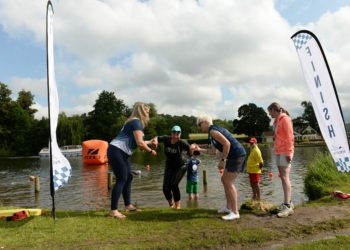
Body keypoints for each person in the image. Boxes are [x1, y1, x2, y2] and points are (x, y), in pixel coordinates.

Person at [107, 102, 157, 219]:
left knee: (128, 177)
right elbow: (140, 143)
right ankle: (113, 211)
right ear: (142, 112)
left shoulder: (133, 122)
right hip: (117, 151)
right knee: (122, 179)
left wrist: (150, 142)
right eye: (147, 112)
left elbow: (136, 140)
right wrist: (151, 151)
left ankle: (128, 205)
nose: (148, 114)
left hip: (119, 152)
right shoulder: (136, 122)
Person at [195, 114, 246, 220]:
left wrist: (223, 160)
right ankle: (228, 207)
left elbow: (227, 144)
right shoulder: (211, 134)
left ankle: (235, 212)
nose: (199, 128)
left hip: (237, 155)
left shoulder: (213, 131)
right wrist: (199, 149)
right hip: (233, 156)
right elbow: (213, 152)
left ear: (205, 122)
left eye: (199, 125)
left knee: (228, 182)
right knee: (224, 180)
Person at [152, 125, 190, 209]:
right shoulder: (166, 139)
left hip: (181, 166)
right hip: (169, 165)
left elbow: (191, 151)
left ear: (180, 134)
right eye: (174, 132)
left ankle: (178, 206)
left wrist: (192, 156)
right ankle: (171, 205)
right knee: (165, 188)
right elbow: (157, 137)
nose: (176, 134)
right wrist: (155, 141)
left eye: (178, 133)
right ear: (171, 133)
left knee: (174, 184)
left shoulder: (182, 143)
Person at [267, 102, 294, 218]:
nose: (269, 114)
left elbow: (289, 137)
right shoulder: (277, 121)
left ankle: (287, 206)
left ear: (274, 109)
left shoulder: (285, 119)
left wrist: (288, 153)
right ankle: (288, 202)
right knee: (282, 176)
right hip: (279, 152)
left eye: (270, 112)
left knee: (285, 177)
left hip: (285, 152)